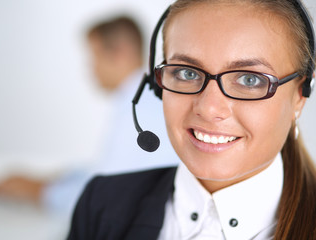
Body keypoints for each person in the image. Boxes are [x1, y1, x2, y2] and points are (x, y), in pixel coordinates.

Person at [67, 0, 316, 239]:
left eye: (249, 79)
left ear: (299, 96)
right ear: (157, 86)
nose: (208, 109)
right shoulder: (101, 205)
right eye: (187, 73)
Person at [0, 16, 179, 213]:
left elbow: (103, 200)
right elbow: (103, 172)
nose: (90, 69)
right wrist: (55, 180)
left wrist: (38, 191)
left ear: (119, 53)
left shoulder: (139, 114)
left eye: (94, 57)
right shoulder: (141, 99)